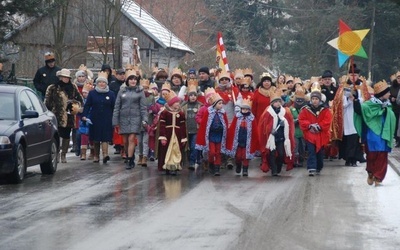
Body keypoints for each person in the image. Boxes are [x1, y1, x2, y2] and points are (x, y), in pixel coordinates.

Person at [354, 80, 396, 186]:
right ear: (382, 94)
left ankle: (378, 177)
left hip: (383, 135)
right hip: (371, 135)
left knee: (382, 155)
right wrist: (355, 100)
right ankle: (371, 172)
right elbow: (360, 112)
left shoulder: (388, 105)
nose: (390, 94)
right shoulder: (368, 105)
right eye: (388, 92)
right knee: (371, 155)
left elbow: (391, 116)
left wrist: (386, 111)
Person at [332, 64, 369, 166]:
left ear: (359, 76)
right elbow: (339, 103)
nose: (354, 77)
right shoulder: (343, 87)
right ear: (348, 75)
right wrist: (348, 99)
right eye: (352, 75)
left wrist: (357, 100)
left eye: (356, 75)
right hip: (347, 116)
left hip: (358, 115)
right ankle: (348, 158)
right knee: (348, 139)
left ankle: (355, 158)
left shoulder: (362, 86)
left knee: (355, 138)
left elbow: (366, 100)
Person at [44, 68, 83, 163]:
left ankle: (63, 154)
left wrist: (75, 105)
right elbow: (47, 102)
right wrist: (48, 112)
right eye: (63, 77)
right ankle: (56, 153)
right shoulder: (52, 87)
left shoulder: (73, 87)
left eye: (67, 77)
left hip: (69, 115)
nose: (65, 79)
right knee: (56, 135)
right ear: (60, 77)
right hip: (56, 114)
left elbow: (80, 99)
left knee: (66, 135)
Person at [112, 70, 147, 169]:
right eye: (131, 79)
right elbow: (117, 106)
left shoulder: (140, 92)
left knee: (132, 138)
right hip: (123, 118)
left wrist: (144, 119)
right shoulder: (122, 91)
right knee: (125, 141)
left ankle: (130, 159)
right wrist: (115, 121)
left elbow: (143, 107)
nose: (133, 81)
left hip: (136, 118)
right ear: (127, 80)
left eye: (135, 79)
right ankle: (128, 155)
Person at [258, 89, 295, 176]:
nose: (278, 103)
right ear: (272, 103)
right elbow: (264, 125)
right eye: (276, 102)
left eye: (279, 101)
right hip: (271, 137)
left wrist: (284, 123)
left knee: (281, 154)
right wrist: (270, 130)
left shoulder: (285, 112)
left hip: (281, 137)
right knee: (272, 154)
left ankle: (278, 166)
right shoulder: (268, 113)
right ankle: (274, 170)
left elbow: (289, 123)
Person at [298, 83, 333, 176]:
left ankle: (319, 166)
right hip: (310, 134)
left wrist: (319, 126)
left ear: (320, 99)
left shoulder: (325, 109)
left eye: (316, 99)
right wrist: (309, 125)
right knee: (311, 151)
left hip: (321, 134)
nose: (314, 101)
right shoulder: (305, 109)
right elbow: (302, 119)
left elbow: (328, 120)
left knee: (320, 152)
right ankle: (311, 167)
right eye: (313, 99)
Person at [82, 71, 116, 163]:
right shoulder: (92, 93)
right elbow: (87, 105)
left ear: (106, 83)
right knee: (96, 138)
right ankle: (96, 155)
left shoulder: (111, 94)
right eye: (100, 82)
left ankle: (105, 154)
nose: (102, 84)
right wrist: (84, 115)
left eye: (104, 82)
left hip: (107, 118)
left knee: (105, 137)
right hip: (95, 118)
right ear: (97, 83)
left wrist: (115, 118)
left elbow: (114, 107)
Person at [196, 88, 229, 176]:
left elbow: (225, 123)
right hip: (211, 135)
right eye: (219, 103)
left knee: (218, 152)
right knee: (212, 152)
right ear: (215, 104)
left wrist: (223, 128)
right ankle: (211, 164)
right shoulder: (208, 112)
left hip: (219, 135)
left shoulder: (223, 112)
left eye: (222, 103)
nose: (221, 105)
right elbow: (204, 124)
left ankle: (217, 168)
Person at [226, 98, 259, 176]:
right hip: (238, 140)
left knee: (245, 156)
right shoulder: (237, 117)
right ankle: (238, 165)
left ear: (249, 110)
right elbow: (233, 129)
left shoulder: (252, 118)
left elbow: (255, 131)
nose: (244, 110)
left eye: (246, 109)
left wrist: (255, 141)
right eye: (243, 109)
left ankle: (245, 169)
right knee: (238, 156)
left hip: (247, 141)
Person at [157, 88, 188, 175]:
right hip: (168, 134)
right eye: (176, 102)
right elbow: (162, 125)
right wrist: (163, 136)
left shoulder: (181, 114)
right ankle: (167, 167)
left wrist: (183, 137)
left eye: (178, 102)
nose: (178, 104)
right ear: (171, 104)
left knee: (175, 150)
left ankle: (174, 167)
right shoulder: (165, 113)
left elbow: (182, 126)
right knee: (167, 151)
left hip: (177, 135)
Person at [181, 79, 203, 170]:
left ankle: (192, 162)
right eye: (191, 95)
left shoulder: (200, 105)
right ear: (188, 96)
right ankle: (186, 160)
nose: (193, 97)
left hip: (196, 129)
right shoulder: (184, 105)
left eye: (194, 95)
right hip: (186, 129)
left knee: (194, 146)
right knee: (187, 146)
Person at [290, 85, 307, 168]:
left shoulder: (306, 109)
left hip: (303, 132)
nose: (299, 102)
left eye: (301, 100)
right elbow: (289, 120)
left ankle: (301, 159)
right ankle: (295, 160)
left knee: (302, 147)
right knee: (295, 146)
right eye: (298, 100)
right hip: (294, 132)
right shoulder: (290, 109)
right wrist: (295, 121)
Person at [389, 71, 400, 147]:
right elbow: (388, 95)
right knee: (396, 125)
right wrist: (391, 98)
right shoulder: (392, 87)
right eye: (398, 78)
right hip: (395, 108)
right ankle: (397, 139)